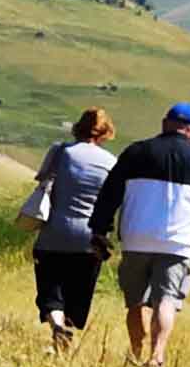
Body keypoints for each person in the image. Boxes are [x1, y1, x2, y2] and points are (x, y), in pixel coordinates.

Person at [91, 102, 190, 367]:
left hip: (135, 238)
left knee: (134, 302)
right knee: (166, 300)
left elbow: (109, 195)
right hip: (177, 243)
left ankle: (135, 352)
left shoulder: (136, 153)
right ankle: (156, 357)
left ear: (165, 122)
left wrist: (99, 230)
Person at [19, 107, 119, 353]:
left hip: (54, 233)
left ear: (78, 127)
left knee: (50, 290)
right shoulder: (111, 162)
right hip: (90, 239)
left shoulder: (60, 152)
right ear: (106, 133)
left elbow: (42, 181)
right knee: (78, 294)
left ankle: (56, 327)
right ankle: (65, 338)